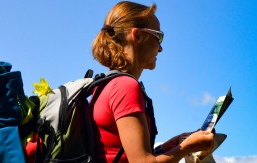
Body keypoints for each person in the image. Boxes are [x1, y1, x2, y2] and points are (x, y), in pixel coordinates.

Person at [91, 1, 215, 162]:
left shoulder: (103, 85)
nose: (160, 48)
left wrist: (167, 147)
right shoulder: (125, 86)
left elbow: (119, 154)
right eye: (159, 36)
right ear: (138, 35)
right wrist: (188, 147)